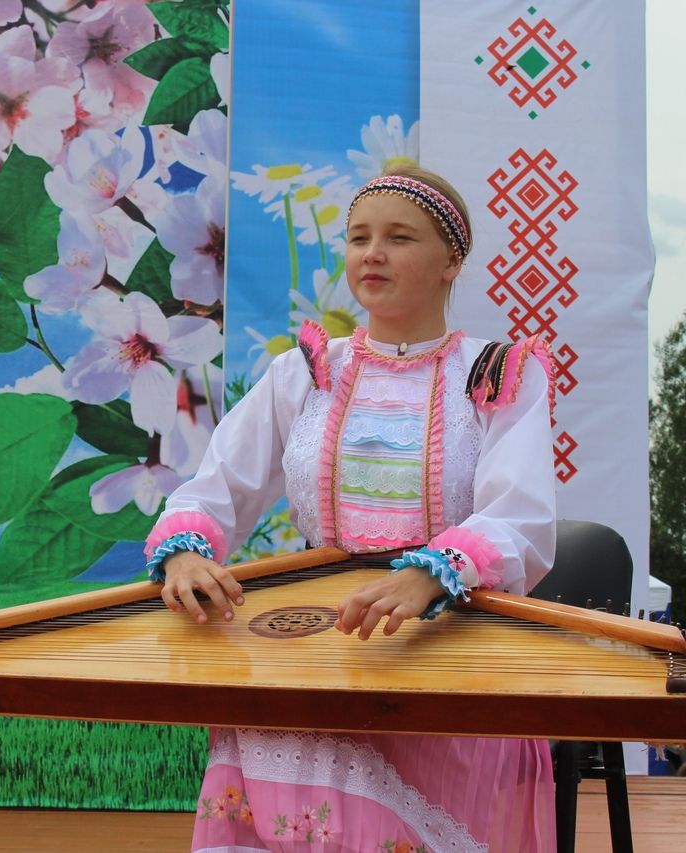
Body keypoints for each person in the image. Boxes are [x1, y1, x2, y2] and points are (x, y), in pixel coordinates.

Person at [145, 165, 557, 852]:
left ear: (451, 260)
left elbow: (521, 516)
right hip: (322, 645)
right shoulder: (306, 371)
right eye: (359, 237)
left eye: (399, 237)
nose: (372, 253)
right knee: (271, 718)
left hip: (446, 646)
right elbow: (214, 489)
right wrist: (187, 548)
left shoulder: (498, 372)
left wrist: (432, 574)